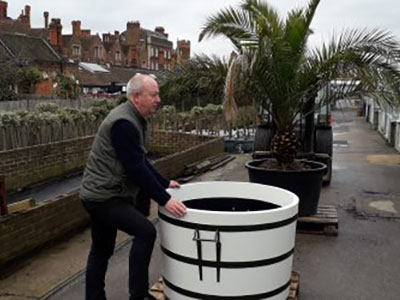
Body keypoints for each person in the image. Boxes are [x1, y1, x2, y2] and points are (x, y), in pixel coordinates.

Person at [80, 74, 186, 300]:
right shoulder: (124, 124)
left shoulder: (134, 118)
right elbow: (136, 169)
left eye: (158, 93)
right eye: (154, 94)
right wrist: (165, 199)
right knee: (145, 231)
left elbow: (140, 160)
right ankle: (138, 296)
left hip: (103, 193)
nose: (159, 99)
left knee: (101, 249)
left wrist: (165, 183)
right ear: (136, 97)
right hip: (104, 197)